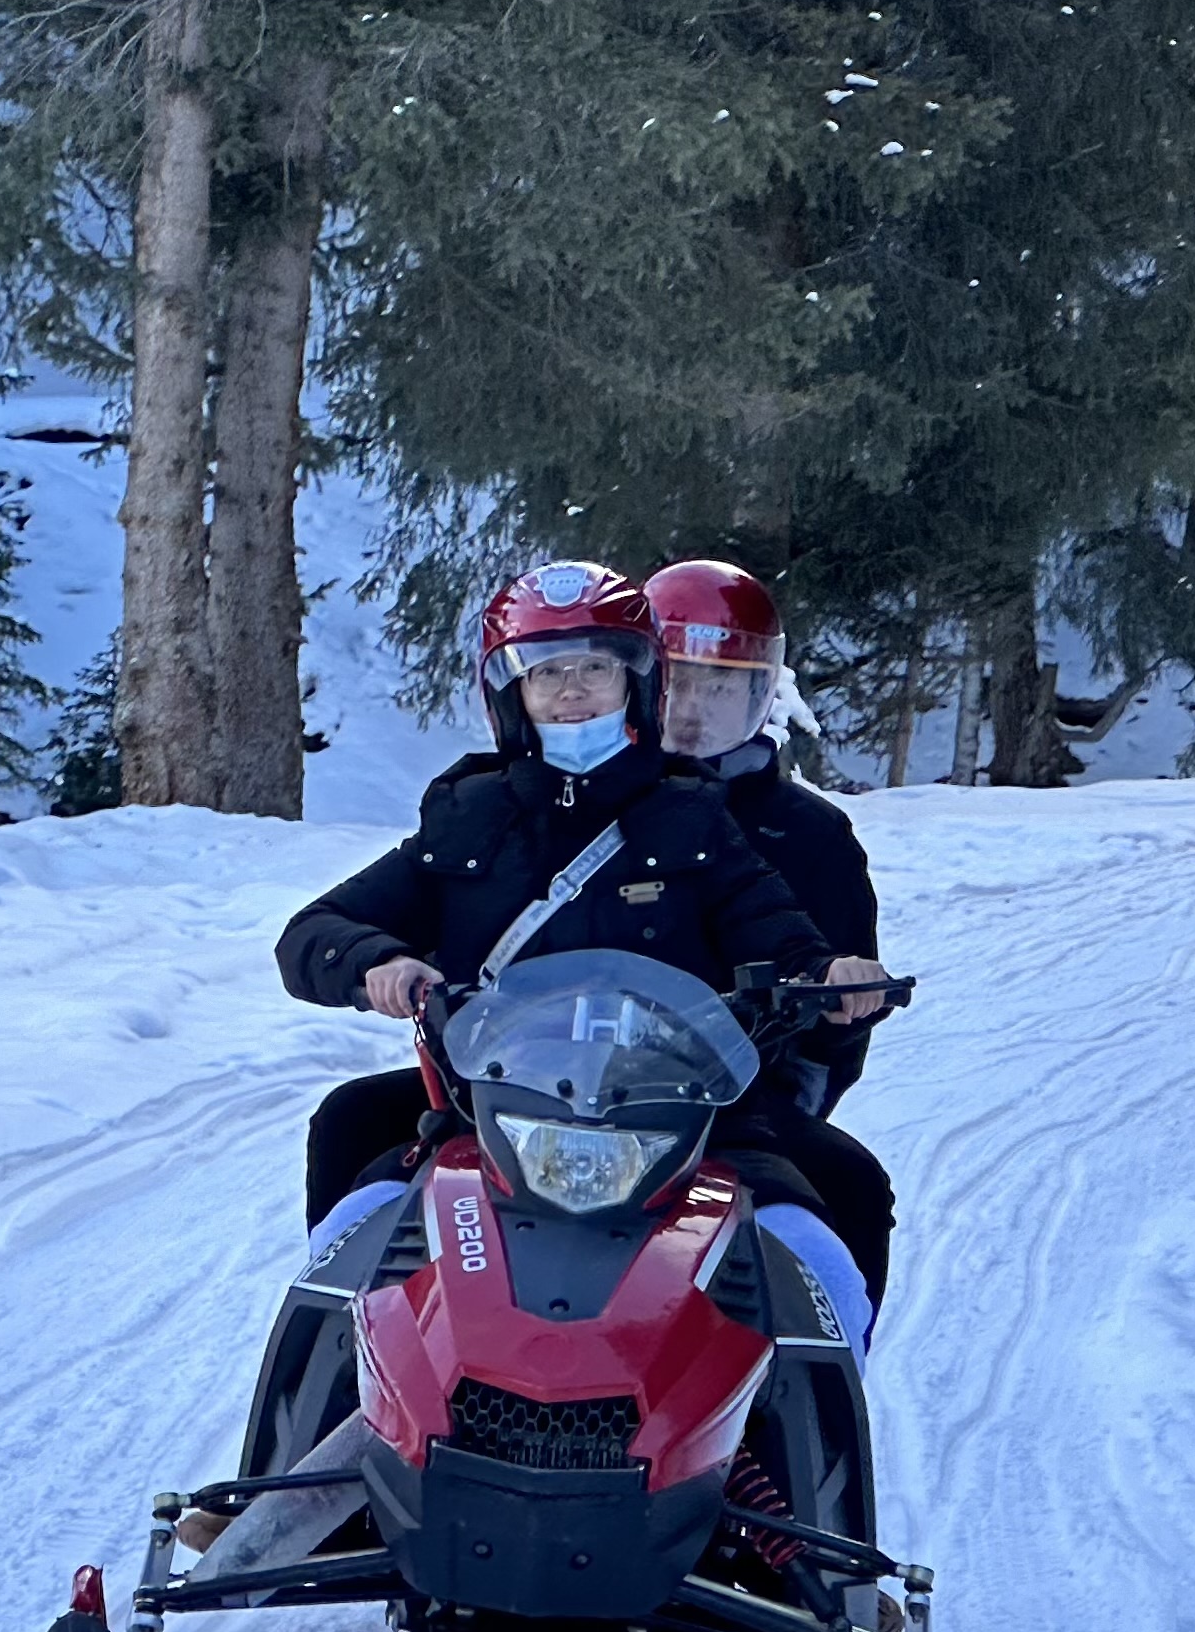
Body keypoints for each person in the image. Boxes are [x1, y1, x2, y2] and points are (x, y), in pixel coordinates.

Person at [281, 561, 889, 1338]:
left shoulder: (694, 819)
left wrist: (829, 976)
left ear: (636, 683)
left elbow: (777, 931)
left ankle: (820, 1428)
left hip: (682, 1116)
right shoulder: (468, 817)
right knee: (353, 1223)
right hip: (493, 1112)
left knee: (819, 1239)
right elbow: (313, 931)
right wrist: (377, 960)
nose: (572, 691)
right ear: (512, 695)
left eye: (595, 669)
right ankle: (314, 1410)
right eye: (548, 673)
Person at [647, 558, 896, 1310]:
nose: (693, 708)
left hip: (734, 1096)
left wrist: (794, 1070)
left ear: (762, 692)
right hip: (561, 1079)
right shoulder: (582, 803)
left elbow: (840, 1025)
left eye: (719, 686)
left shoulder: (808, 835)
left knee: (849, 1188)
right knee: (352, 1124)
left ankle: (827, 1404)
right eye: (675, 682)